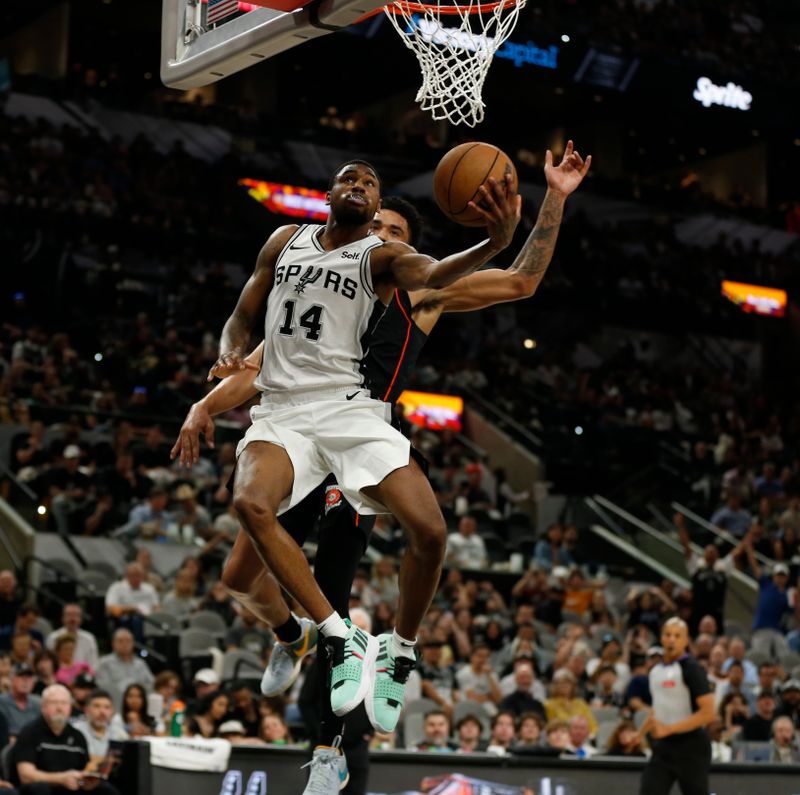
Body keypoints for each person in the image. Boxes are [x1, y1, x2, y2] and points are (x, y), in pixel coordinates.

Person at [173, 149, 590, 791]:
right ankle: (292, 635)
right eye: (379, 230)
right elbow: (254, 365)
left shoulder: (420, 289)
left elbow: (521, 280)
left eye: (395, 232)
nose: (381, 238)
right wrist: (205, 401)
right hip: (295, 427)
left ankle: (330, 747)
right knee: (237, 577)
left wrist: (554, 199)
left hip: (361, 433)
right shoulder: (320, 270)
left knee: (338, 576)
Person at [634, 618, 715, 795]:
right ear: (661, 638)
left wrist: (669, 729)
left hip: (691, 746)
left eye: (677, 636)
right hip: (664, 746)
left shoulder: (692, 669)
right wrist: (639, 734)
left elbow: (709, 713)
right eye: (668, 634)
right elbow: (659, 709)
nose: (672, 639)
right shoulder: (656, 671)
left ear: (686, 641)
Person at [12, 684, 120, 794]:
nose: (59, 708)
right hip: (43, 788)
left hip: (71, 787)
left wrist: (87, 782)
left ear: (70, 708)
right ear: (43, 707)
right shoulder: (30, 733)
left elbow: (84, 772)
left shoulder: (78, 736)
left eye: (64, 703)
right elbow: (26, 775)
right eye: (54, 703)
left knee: (107, 790)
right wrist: (60, 779)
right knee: (39, 788)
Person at [675, 514, 749, 634]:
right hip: (698, 612)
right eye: (708, 551)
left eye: (713, 551)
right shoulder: (697, 566)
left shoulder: (722, 567)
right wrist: (680, 526)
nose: (710, 553)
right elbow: (686, 547)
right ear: (703, 554)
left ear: (718, 555)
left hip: (717, 613)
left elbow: (738, 552)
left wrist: (749, 534)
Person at [104, 564, 160, 641]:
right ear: (126, 576)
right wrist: (132, 609)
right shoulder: (116, 587)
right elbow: (109, 609)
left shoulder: (149, 589)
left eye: (138, 575)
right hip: (125, 619)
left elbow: (156, 608)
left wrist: (153, 615)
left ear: (143, 576)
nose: (136, 578)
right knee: (135, 620)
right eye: (132, 575)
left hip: (148, 620)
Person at [95, 629, 154, 700]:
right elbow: (103, 686)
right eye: (120, 641)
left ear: (133, 643)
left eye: (128, 641)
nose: (125, 644)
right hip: (114, 702)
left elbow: (151, 684)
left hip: (138, 702)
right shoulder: (104, 663)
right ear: (113, 644)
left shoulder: (140, 664)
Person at [74, 689, 129, 765]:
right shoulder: (76, 731)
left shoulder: (119, 734)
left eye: (107, 707)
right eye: (97, 706)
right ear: (86, 710)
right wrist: (109, 760)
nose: (102, 712)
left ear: (112, 711)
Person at [45, 604, 99, 671]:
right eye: (69, 615)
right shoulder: (53, 637)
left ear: (81, 619)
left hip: (83, 677)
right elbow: (48, 662)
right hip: (58, 676)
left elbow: (94, 664)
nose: (72, 619)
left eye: (76, 615)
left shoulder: (89, 638)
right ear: (63, 618)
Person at [0, 663, 41, 738]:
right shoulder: (1, 702)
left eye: (29, 677)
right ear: (11, 679)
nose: (25, 680)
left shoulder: (39, 703)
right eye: (21, 676)